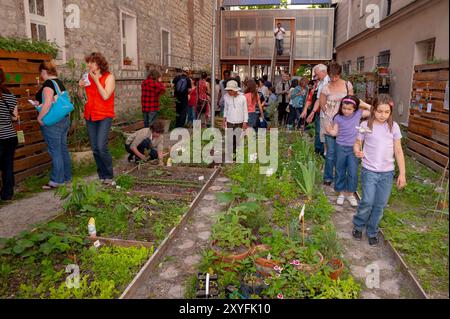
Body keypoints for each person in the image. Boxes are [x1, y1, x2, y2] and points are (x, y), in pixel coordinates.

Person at [352, 94, 407, 246]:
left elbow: (398, 151)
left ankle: (372, 230)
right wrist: (357, 151)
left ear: (390, 112)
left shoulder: (393, 127)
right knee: (367, 201)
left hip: (387, 173)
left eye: (386, 112)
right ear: (373, 109)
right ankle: (358, 224)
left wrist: (402, 174)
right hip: (369, 170)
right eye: (379, 111)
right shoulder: (365, 125)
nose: (383, 115)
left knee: (380, 205)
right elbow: (357, 143)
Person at [33, 62, 72, 190]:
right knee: (62, 149)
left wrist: (40, 117)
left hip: (53, 122)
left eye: (41, 72)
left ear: (44, 71)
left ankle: (56, 180)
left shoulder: (48, 84)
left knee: (55, 151)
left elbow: (48, 103)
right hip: (64, 119)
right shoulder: (59, 83)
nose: (41, 75)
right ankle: (66, 177)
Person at [326, 95, 371, 207]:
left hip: (354, 148)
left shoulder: (358, 114)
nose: (346, 111)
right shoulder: (338, 118)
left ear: (355, 108)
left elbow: (375, 111)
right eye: (344, 108)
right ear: (341, 107)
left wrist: (364, 104)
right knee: (340, 170)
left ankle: (350, 193)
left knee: (352, 171)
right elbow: (335, 132)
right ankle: (341, 193)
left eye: (349, 109)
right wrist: (330, 131)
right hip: (340, 147)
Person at [79, 52, 116, 184]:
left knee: (101, 146)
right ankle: (102, 176)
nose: (88, 65)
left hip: (104, 115)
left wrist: (96, 81)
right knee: (95, 148)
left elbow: (105, 96)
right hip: (90, 115)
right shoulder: (87, 77)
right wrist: (80, 87)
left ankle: (109, 175)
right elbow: (83, 97)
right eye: (88, 62)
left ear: (99, 64)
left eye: (91, 62)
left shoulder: (109, 77)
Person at [319, 63, 354, 186]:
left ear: (340, 74)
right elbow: (322, 103)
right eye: (331, 76)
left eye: (336, 76)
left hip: (345, 123)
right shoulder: (326, 87)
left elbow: (352, 102)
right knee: (331, 152)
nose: (334, 79)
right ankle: (328, 177)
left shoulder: (347, 85)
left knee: (343, 153)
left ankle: (341, 178)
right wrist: (329, 114)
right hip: (330, 123)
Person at [0, 68, 18, 201]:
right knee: (8, 165)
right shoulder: (10, 96)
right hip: (10, 136)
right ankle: (7, 194)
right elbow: (15, 117)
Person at [305, 64, 330, 157]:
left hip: (328, 113)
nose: (316, 76)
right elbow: (318, 99)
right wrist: (313, 112)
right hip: (321, 112)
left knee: (324, 134)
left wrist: (312, 112)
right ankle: (319, 153)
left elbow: (320, 99)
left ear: (323, 72)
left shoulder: (329, 81)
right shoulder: (321, 82)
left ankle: (324, 154)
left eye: (316, 74)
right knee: (320, 133)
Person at [223, 80, 248, 161]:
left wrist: (245, 122)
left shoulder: (242, 97)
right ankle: (231, 156)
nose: (229, 92)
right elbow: (225, 109)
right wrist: (224, 119)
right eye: (228, 90)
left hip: (239, 122)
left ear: (235, 90)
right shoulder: (226, 97)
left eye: (230, 90)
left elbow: (245, 110)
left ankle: (237, 156)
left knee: (237, 139)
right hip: (230, 121)